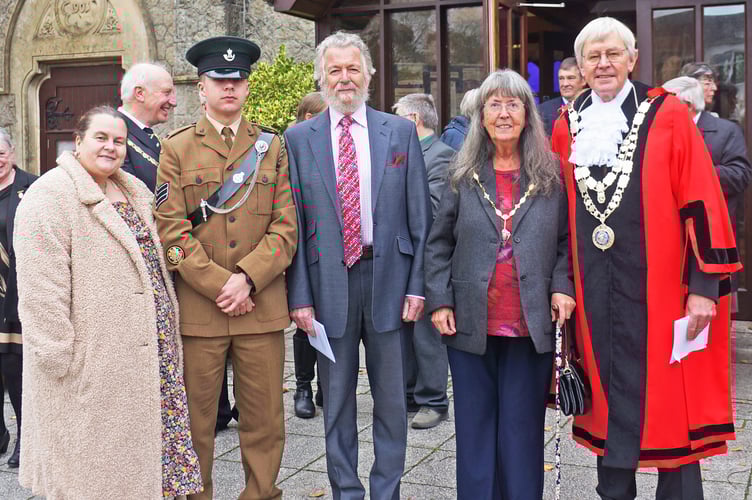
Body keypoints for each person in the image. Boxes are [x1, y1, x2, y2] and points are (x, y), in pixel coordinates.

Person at [551, 17, 741, 499]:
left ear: (633, 59)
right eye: (593, 56)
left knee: (671, 408)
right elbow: (556, 213)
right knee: (608, 405)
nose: (603, 64)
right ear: (582, 66)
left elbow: (702, 199)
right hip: (593, 293)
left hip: (663, 293)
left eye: (613, 53)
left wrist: (704, 289)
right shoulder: (565, 124)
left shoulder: (669, 114)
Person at [14, 106, 202, 498]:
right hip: (91, 364)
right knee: (95, 473)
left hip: (149, 356)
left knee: (146, 464)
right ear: (78, 141)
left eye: (119, 141)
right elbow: (40, 292)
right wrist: (59, 358)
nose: (111, 147)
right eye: (101, 138)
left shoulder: (133, 188)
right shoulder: (48, 196)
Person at [284, 32, 431, 499]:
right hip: (328, 285)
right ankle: (346, 491)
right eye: (335, 70)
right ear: (321, 77)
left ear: (368, 73)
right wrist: (300, 296)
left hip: (388, 280)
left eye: (352, 68)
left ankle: (386, 490)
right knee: (337, 403)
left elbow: (419, 218)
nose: (344, 78)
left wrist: (417, 286)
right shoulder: (297, 139)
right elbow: (294, 221)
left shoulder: (400, 132)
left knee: (391, 402)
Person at [154, 36, 297, 500]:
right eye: (220, 80)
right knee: (195, 423)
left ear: (248, 87)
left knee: (265, 421)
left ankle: (261, 494)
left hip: (261, 308)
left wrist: (248, 278)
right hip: (201, 313)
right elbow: (171, 234)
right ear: (202, 88)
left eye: (237, 81)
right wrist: (224, 285)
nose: (229, 88)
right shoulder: (175, 149)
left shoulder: (272, 147)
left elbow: (286, 228)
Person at [425, 69, 574, 499]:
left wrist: (561, 286)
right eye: (495, 104)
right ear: (481, 115)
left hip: (530, 321)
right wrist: (440, 301)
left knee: (521, 427)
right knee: (474, 426)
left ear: (528, 115)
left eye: (513, 104)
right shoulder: (461, 172)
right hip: (470, 319)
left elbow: (566, 242)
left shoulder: (550, 175)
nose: (504, 113)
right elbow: (438, 243)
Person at [663, 75, 752, 312]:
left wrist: (697, 173)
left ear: (686, 104)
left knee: (714, 315)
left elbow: (740, 175)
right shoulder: (662, 132)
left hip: (713, 233)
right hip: (669, 237)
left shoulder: (725, 130)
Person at [392, 93, 453, 429]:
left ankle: (434, 401)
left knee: (428, 335)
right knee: (406, 330)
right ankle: (411, 394)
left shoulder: (441, 156)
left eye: (398, 116)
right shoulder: (406, 153)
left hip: (428, 257)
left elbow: (433, 213)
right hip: (404, 257)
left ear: (414, 119)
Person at [0, 129, 36, 469]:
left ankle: (27, 441)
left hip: (16, 295)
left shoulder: (34, 188)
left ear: (12, 153)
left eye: (1, 153)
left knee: (16, 370)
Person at [291, 90, 327, 419]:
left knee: (333, 322)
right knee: (306, 324)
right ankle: (302, 385)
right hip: (306, 247)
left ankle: (324, 388)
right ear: (308, 118)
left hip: (335, 251)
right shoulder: (293, 149)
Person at [118, 62, 177, 192]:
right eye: (167, 93)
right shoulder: (114, 133)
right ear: (139, 93)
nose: (174, 102)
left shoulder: (145, 134)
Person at [538, 57, 586, 136]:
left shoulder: (592, 107)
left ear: (583, 80)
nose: (565, 84)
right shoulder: (543, 111)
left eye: (570, 78)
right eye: (561, 78)